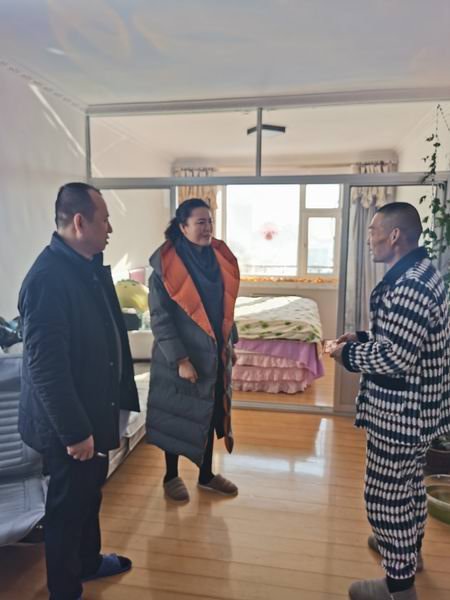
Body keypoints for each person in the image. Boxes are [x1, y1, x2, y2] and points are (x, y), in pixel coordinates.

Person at [18, 182, 140, 600]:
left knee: (89, 495)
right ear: (79, 222)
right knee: (67, 508)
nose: (110, 229)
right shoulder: (47, 280)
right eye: (105, 219)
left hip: (93, 410)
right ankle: (64, 590)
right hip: (69, 425)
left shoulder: (85, 267)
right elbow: (45, 367)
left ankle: (87, 562)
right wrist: (74, 432)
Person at [331, 202, 450, 600]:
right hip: (417, 411)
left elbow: (397, 358)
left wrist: (345, 354)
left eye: (372, 231)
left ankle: (398, 586)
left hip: (402, 414)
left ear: (394, 235)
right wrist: (362, 338)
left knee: (385, 496)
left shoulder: (411, 285)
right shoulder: (420, 272)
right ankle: (408, 555)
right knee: (408, 486)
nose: (369, 239)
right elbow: (405, 338)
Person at [146, 198, 240, 502]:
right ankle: (170, 476)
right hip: (180, 357)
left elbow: (226, 306)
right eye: (200, 222)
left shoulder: (217, 259)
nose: (207, 227)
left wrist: (230, 342)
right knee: (176, 414)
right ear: (182, 226)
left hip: (213, 352)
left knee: (210, 413)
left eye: (209, 221)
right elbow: (160, 318)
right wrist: (181, 360)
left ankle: (206, 475)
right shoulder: (165, 267)